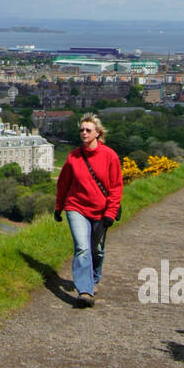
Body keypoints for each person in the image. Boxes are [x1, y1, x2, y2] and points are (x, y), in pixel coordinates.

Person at [54, 114, 123, 307]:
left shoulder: (110, 156)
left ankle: (93, 279)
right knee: (82, 248)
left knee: (97, 250)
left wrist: (110, 213)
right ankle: (84, 291)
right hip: (76, 207)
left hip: (101, 211)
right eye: (82, 130)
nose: (84, 133)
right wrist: (59, 207)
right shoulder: (73, 156)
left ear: (97, 133)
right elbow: (63, 184)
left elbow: (116, 187)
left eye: (88, 130)